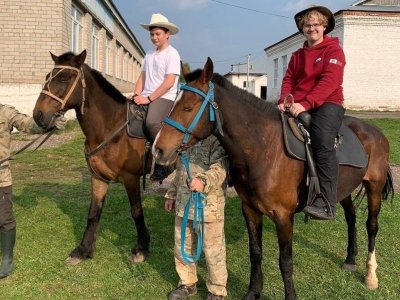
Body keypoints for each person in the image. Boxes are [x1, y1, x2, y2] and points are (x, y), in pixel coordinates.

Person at [278, 5, 346, 220]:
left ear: (324, 27)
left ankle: (326, 202)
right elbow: (289, 79)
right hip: (298, 103)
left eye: (316, 24)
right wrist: (284, 101)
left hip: (328, 103)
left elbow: (330, 81)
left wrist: (306, 103)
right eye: (307, 25)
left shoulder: (334, 50)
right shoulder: (297, 55)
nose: (311, 28)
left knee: (322, 142)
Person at [0, 104, 67, 279]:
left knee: (4, 218)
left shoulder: (5, 112)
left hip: (1, 176)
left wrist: (50, 123)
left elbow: (28, 124)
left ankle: (7, 259)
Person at [164, 135, 228, 300]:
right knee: (181, 246)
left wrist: (203, 180)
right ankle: (187, 283)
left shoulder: (217, 142)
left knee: (213, 251)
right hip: (184, 205)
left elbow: (221, 168)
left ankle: (216, 291)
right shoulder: (186, 140)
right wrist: (171, 194)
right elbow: (180, 170)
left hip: (208, 208)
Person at [131, 13, 181, 183]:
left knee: (152, 122)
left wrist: (148, 99)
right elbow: (142, 77)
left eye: (158, 34)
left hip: (164, 96)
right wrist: (137, 94)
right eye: (152, 34)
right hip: (147, 96)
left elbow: (169, 82)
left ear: (167, 34)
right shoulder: (149, 54)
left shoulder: (172, 54)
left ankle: (166, 161)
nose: (154, 37)